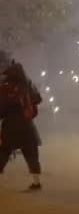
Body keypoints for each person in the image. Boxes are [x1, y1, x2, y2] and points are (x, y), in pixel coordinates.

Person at [0, 62, 43, 191]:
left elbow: (1, 109)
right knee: (31, 153)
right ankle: (36, 182)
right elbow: (38, 99)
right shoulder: (28, 85)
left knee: (3, 152)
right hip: (27, 125)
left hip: (10, 126)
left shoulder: (5, 88)